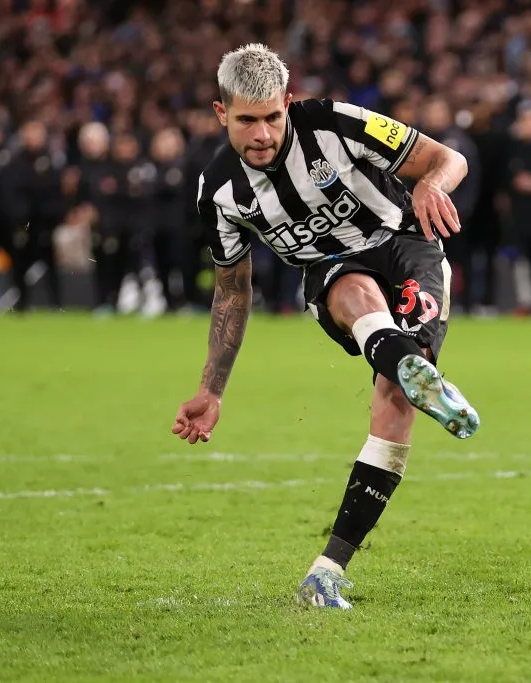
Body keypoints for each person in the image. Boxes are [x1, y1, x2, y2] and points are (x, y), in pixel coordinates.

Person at [170, 44, 481, 610]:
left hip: (407, 246)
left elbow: (448, 157)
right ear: (221, 113)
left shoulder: (336, 122)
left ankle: (326, 571)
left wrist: (433, 184)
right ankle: (413, 368)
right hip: (330, 270)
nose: (263, 134)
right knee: (355, 294)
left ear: (289, 103)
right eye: (247, 120)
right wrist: (211, 390)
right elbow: (232, 292)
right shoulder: (219, 192)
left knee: (394, 400)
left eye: (273, 117)